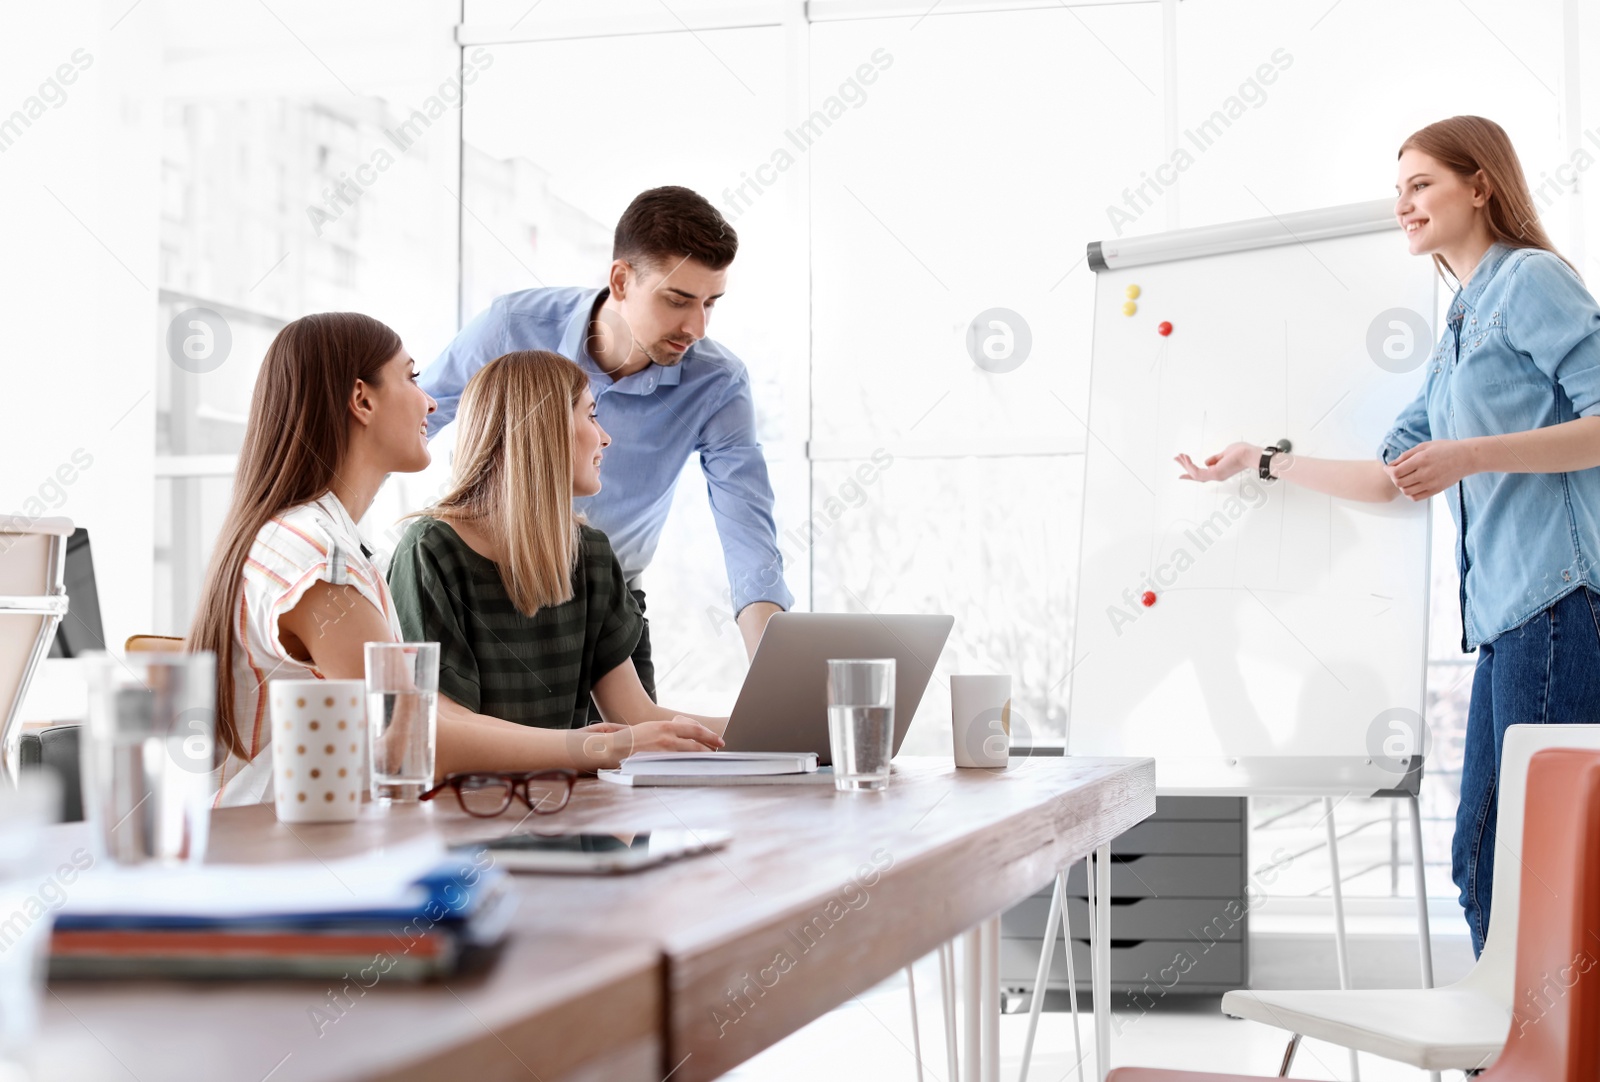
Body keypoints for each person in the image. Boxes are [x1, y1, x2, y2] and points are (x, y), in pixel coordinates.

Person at [1175, 116, 1600, 957]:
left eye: (1420, 185)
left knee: (1521, 863)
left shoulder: (1531, 281)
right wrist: (1263, 462)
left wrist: (1469, 455)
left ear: (1480, 185)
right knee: (1487, 860)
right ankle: (1526, 1051)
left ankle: (1536, 1055)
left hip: (1558, 605)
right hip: (1511, 627)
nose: (1402, 205)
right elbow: (1391, 477)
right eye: (1397, 190)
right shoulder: (1455, 340)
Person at [418, 186, 791, 699]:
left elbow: (749, 536)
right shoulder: (513, 328)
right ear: (621, 279)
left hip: (609, 606)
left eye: (711, 303)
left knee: (639, 764)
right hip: (487, 598)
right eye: (678, 300)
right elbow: (414, 419)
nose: (697, 328)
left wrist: (780, 688)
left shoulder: (717, 382)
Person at [387, 350, 726, 771]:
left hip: (567, 812)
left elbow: (637, 717)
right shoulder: (430, 550)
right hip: (466, 821)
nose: (605, 438)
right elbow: (442, 727)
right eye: (591, 416)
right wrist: (595, 747)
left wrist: (789, 732)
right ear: (545, 429)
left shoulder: (591, 554)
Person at [187, 312, 437, 806]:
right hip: (276, 859)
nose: (429, 401)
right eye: (412, 377)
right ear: (362, 399)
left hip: (295, 847)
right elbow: (403, 735)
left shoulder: (314, 537)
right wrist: (597, 744)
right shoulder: (315, 555)